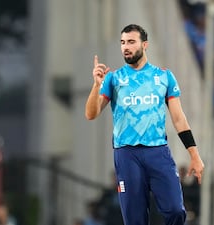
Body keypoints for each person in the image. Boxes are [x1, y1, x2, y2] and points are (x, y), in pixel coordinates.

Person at [85, 24, 204, 225]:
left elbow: (178, 119)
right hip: (127, 154)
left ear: (145, 45)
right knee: (134, 220)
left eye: (131, 42)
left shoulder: (164, 77)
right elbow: (91, 114)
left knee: (176, 210)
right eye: (123, 43)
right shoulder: (113, 78)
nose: (126, 47)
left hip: (158, 152)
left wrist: (194, 155)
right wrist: (96, 85)